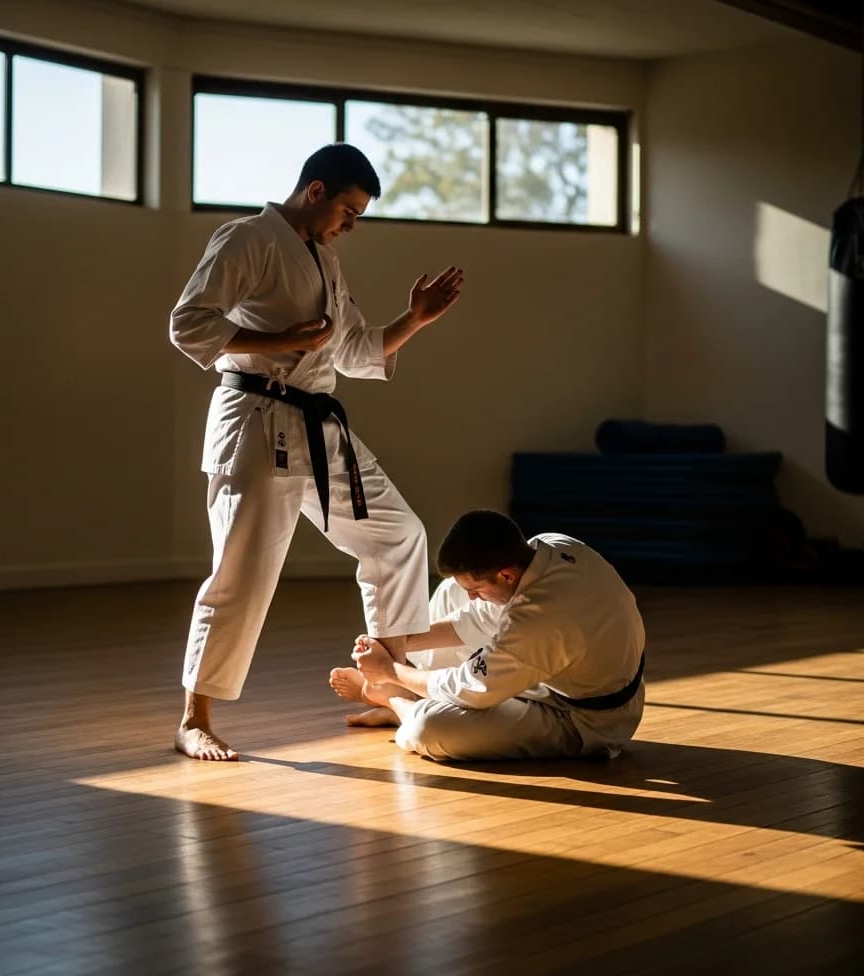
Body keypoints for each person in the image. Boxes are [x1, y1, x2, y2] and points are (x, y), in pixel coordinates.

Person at [170, 143, 464, 761]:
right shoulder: (247, 239)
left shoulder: (325, 261)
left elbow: (353, 352)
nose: (350, 226)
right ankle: (194, 718)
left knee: (398, 534)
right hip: (256, 419)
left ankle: (389, 686)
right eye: (348, 212)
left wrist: (416, 319)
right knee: (242, 572)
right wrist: (276, 337)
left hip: (317, 423)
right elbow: (189, 323)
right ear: (316, 191)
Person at [330, 510, 646, 761]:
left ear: (506, 574)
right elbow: (480, 618)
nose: (472, 597)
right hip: (564, 668)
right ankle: (411, 689)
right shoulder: (550, 545)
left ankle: (397, 701)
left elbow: (469, 688)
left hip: (584, 719)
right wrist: (397, 641)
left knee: (429, 729)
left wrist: (390, 670)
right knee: (452, 591)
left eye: (477, 589)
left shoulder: (540, 621)